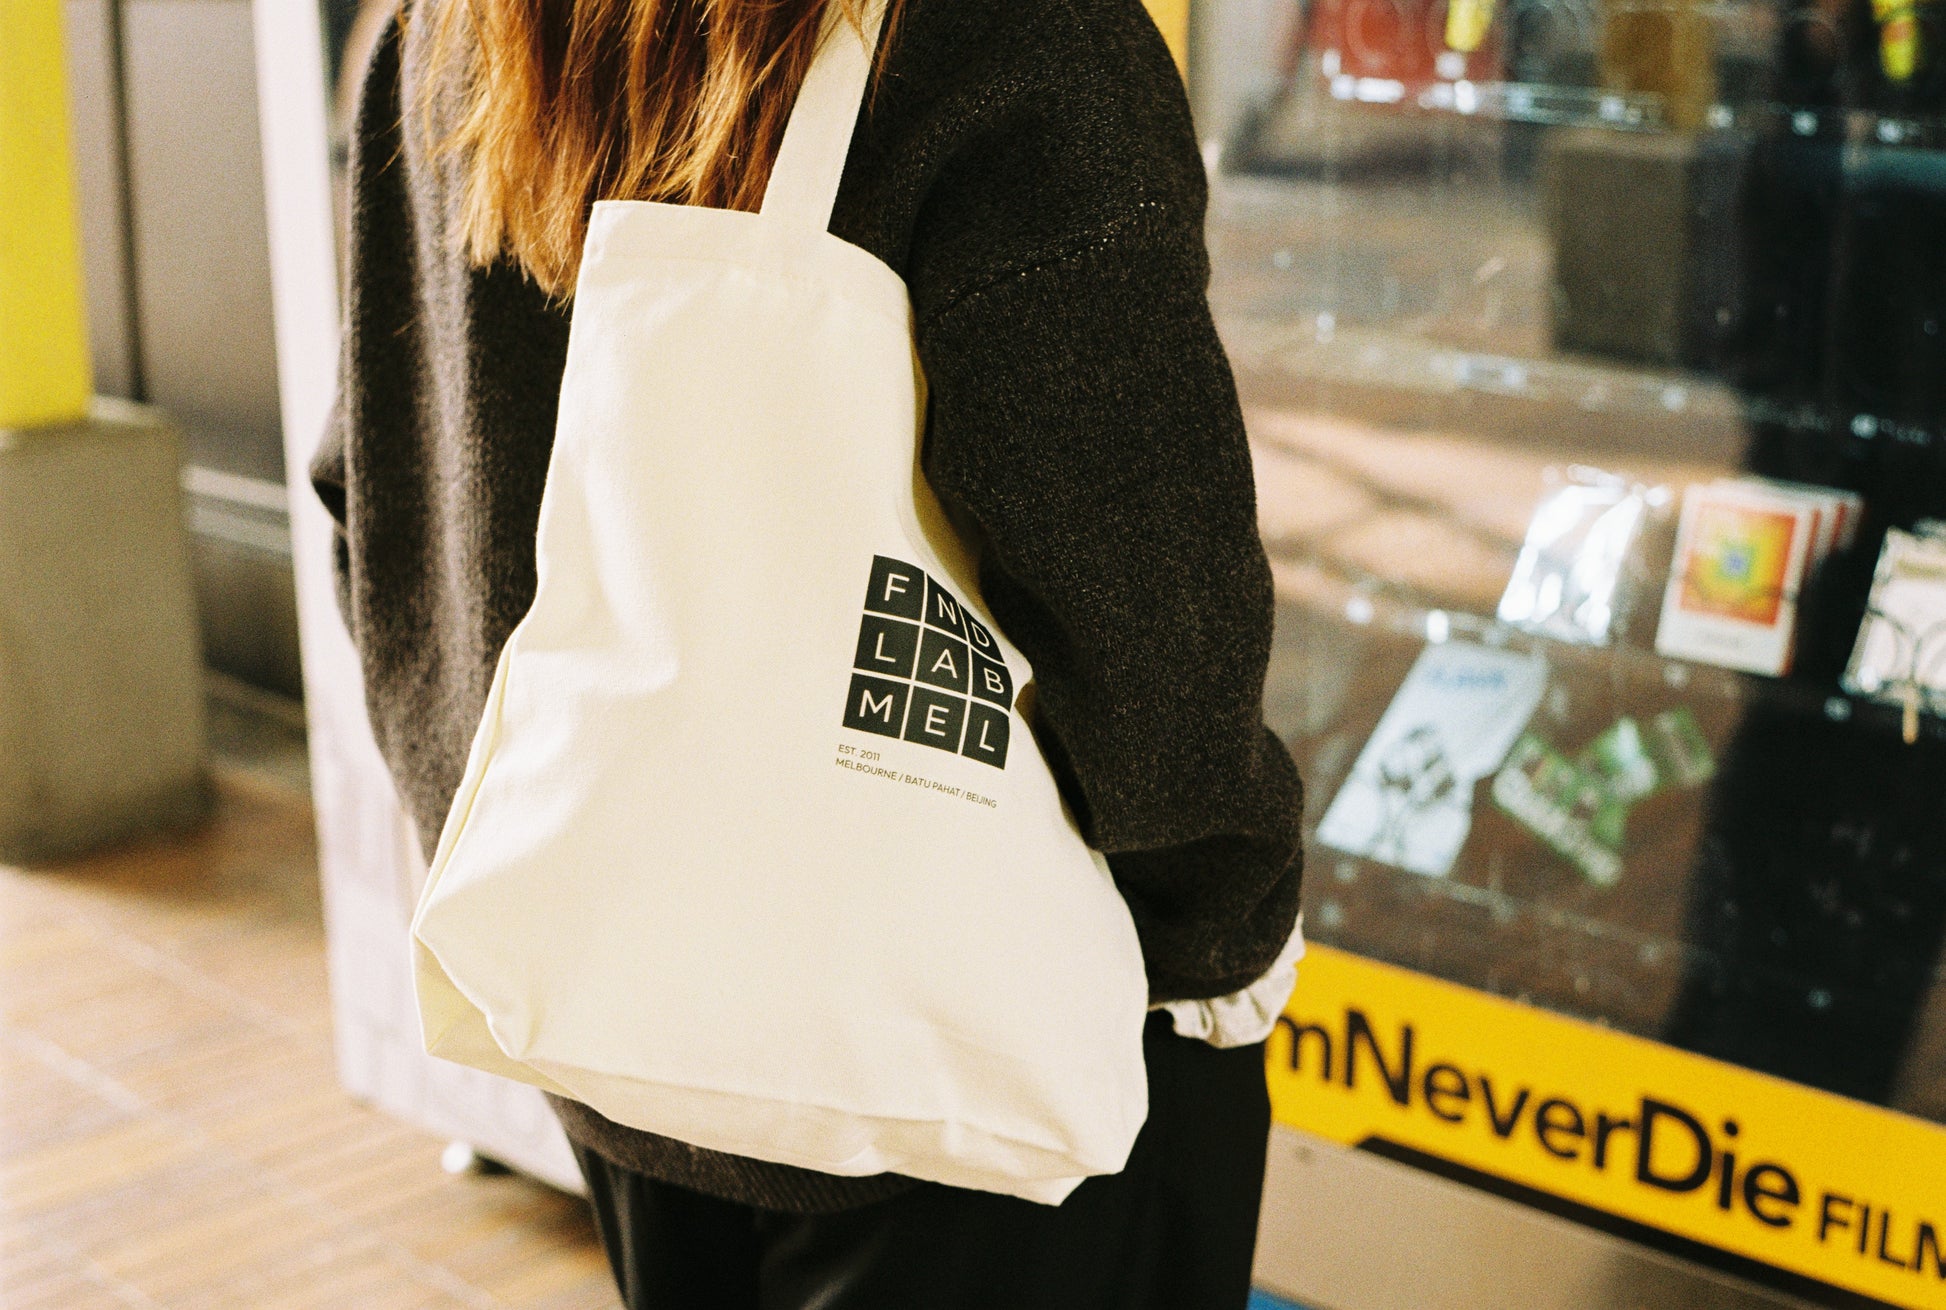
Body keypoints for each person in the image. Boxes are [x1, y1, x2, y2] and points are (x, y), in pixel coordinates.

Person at [312, 0, 1306, 1304]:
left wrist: (486, 803)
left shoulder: (446, 31)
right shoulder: (1012, 38)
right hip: (967, 1061)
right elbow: (1149, 613)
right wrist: (1226, 926)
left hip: (615, 1002)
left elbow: (376, 493)